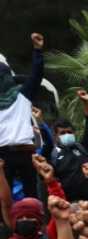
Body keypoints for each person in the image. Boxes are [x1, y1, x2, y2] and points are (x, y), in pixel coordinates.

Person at [0, 33, 45, 192]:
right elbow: (35, 77)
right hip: (3, 155)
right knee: (4, 200)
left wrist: (38, 50)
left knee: (31, 196)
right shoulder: (23, 93)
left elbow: (36, 76)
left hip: (25, 152)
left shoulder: (22, 95)